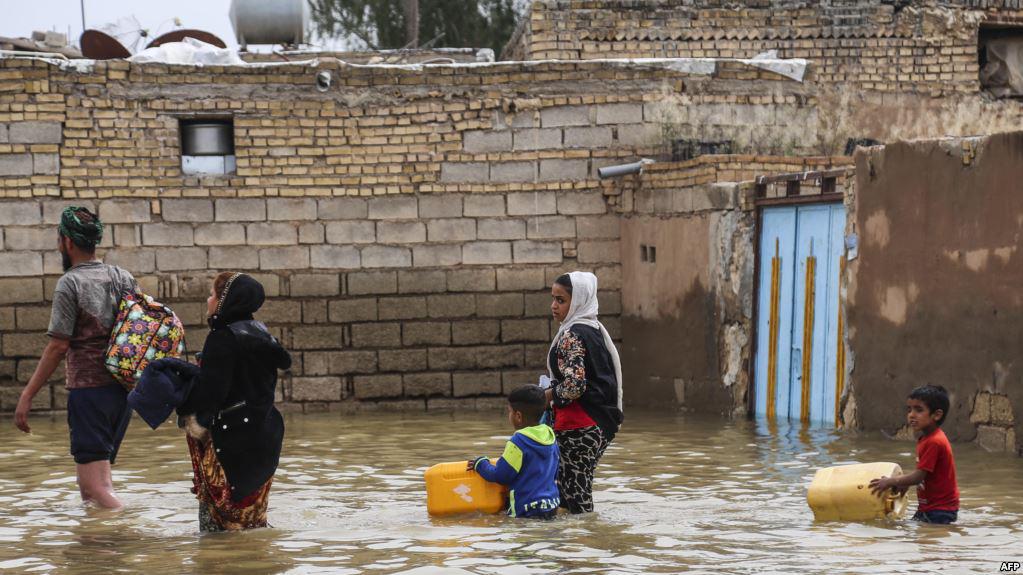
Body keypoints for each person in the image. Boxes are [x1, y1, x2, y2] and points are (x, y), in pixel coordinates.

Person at [14, 206, 137, 510]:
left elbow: (58, 346)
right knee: (97, 486)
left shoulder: (70, 283)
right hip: (122, 392)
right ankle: (99, 549)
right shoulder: (123, 277)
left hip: (89, 392)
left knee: (93, 487)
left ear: (66, 242)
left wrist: (27, 394)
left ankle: (128, 530)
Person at [174, 272, 291, 531]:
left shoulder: (223, 338)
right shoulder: (262, 333)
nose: (208, 300)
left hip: (232, 442)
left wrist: (187, 408)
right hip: (265, 437)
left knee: (220, 531)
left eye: (213, 294)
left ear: (226, 300)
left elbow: (212, 394)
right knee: (253, 522)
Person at [544, 271, 623, 514]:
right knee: (573, 491)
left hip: (579, 425)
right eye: (553, 299)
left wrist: (545, 396)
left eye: (561, 300)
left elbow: (575, 385)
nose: (554, 306)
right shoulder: (593, 330)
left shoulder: (572, 335)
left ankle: (583, 544)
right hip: (599, 421)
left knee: (575, 497)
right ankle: (582, 544)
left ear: (577, 301)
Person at [869, 385, 959, 524]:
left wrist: (890, 481)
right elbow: (925, 473)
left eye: (919, 410)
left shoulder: (934, 441)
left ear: (937, 415)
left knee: (925, 542)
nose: (911, 415)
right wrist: (905, 483)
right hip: (930, 507)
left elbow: (918, 477)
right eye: (909, 409)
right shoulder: (926, 438)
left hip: (940, 511)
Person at [469, 385, 560, 519]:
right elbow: (555, 472)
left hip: (526, 510)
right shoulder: (550, 435)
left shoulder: (518, 441)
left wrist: (480, 464)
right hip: (552, 505)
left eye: (509, 411)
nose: (509, 415)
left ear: (518, 416)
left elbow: (501, 476)